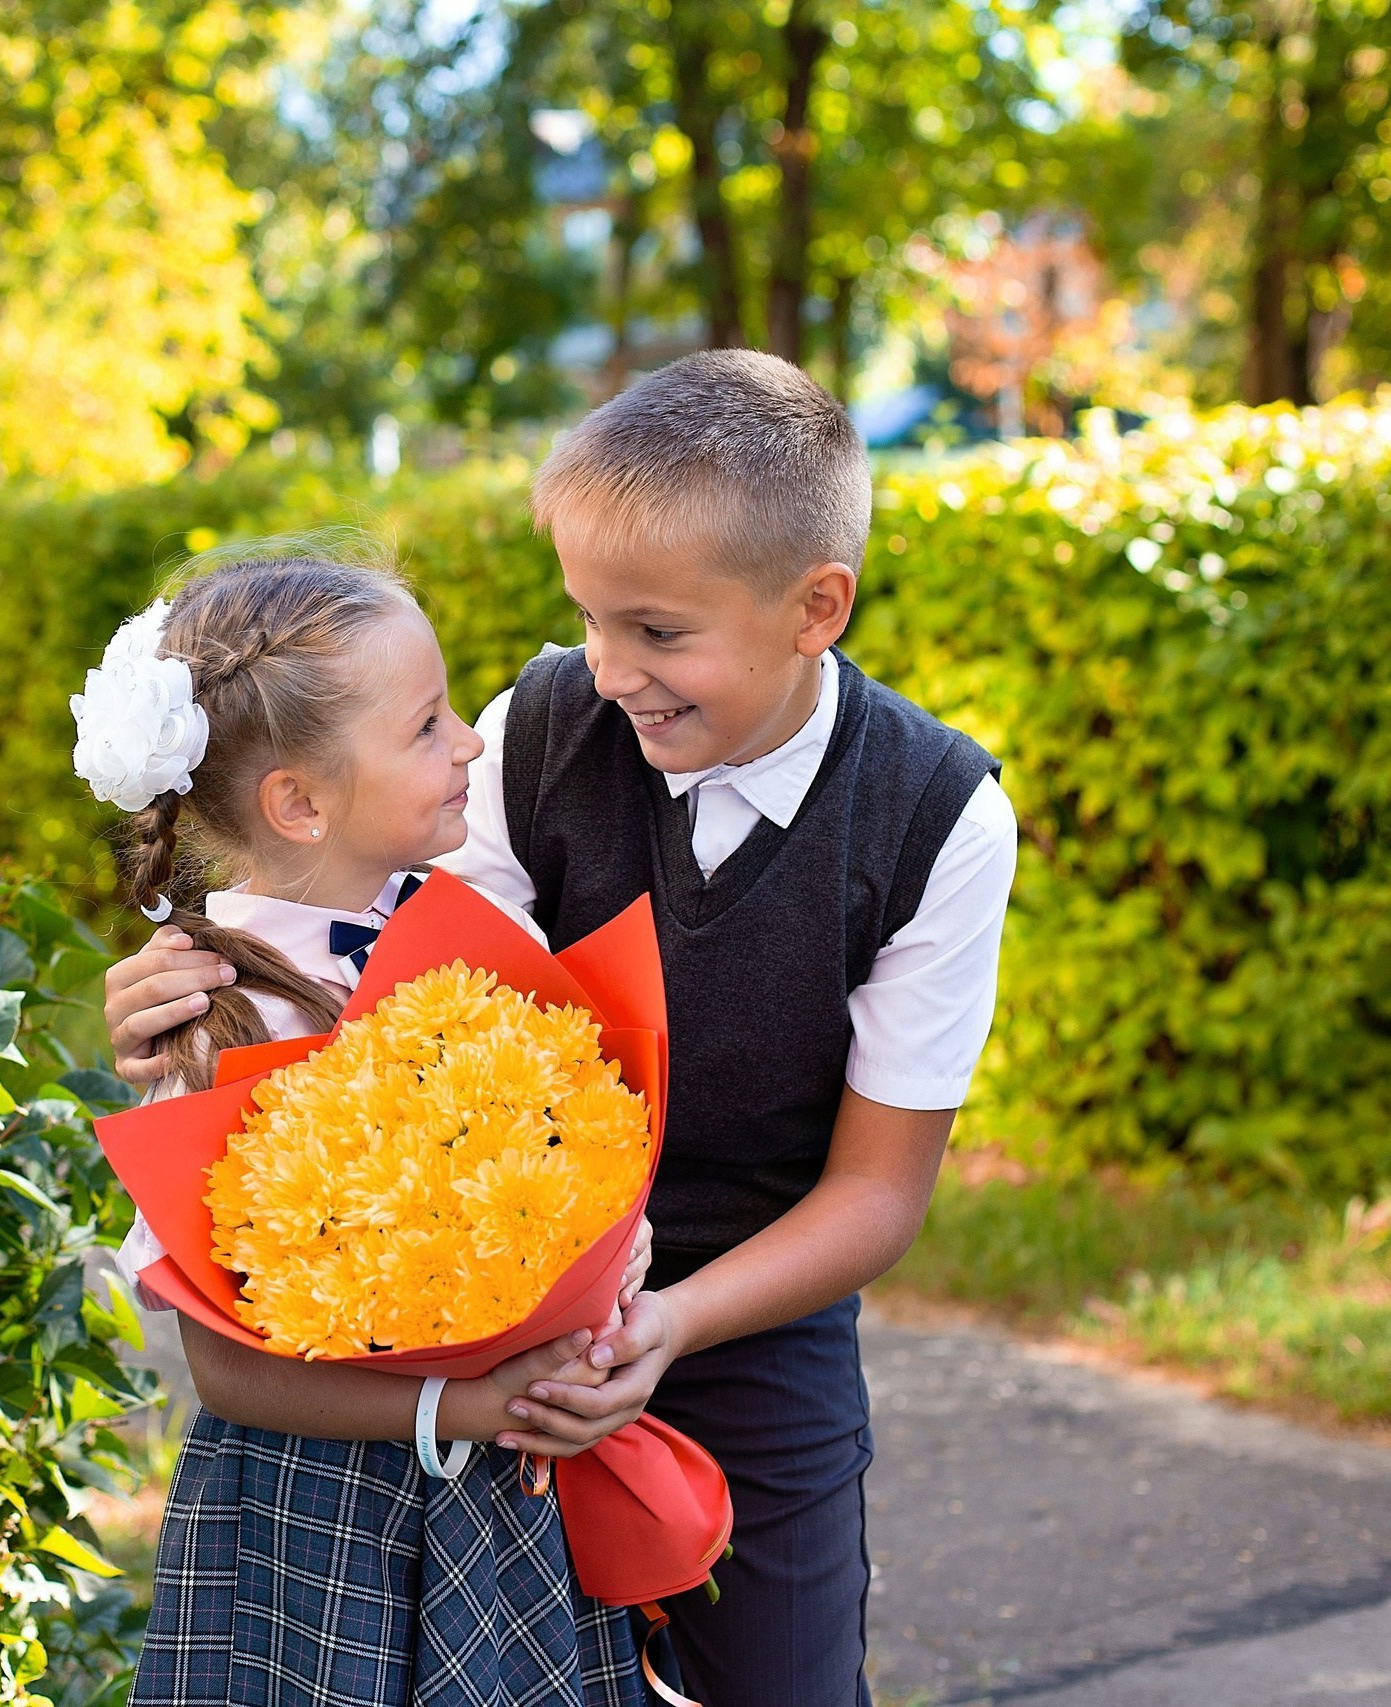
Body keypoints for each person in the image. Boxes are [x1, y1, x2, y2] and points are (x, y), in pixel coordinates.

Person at [101, 352, 1018, 1707]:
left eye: (656, 631)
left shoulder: (935, 815)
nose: (608, 668)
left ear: (816, 606)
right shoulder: (541, 727)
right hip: (483, 1332)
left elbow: (880, 1190)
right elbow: (386, 1007)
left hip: (751, 1310)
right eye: (588, 617)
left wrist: (671, 1317)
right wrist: (198, 990)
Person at [73, 547, 660, 1707]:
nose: (472, 746)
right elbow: (225, 1376)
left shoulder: (478, 938)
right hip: (320, 1519)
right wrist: (460, 1404)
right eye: (429, 726)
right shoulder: (210, 1023)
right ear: (299, 801)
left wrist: (608, 1284)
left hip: (508, 1490)